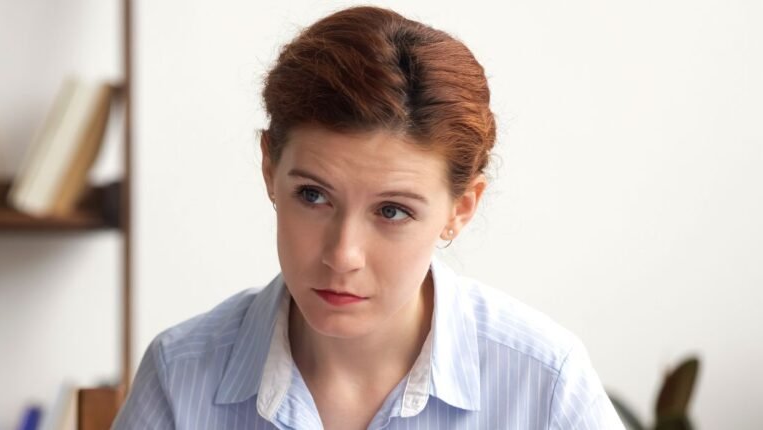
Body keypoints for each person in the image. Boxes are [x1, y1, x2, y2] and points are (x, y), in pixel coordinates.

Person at [113, 5, 624, 430]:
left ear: (461, 208)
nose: (342, 256)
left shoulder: (544, 384)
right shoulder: (179, 375)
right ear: (270, 169)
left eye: (392, 211)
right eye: (313, 196)